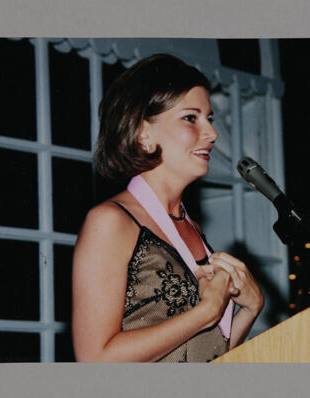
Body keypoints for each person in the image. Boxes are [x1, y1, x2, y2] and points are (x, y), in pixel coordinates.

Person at [72, 54, 264, 362]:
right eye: (191, 118)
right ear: (143, 133)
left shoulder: (192, 229)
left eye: (210, 119)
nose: (212, 134)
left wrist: (250, 310)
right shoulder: (110, 222)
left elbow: (206, 354)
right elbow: (96, 359)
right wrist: (207, 311)